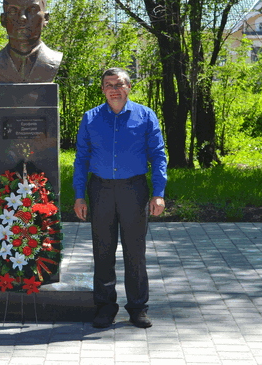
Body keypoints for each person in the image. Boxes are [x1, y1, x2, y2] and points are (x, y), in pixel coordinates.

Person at [73, 67, 167, 329]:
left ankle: (138, 307)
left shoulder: (145, 116)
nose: (114, 89)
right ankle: (105, 307)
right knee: (102, 251)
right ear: (102, 89)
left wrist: (158, 193)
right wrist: (79, 196)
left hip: (134, 190)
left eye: (120, 84)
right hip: (100, 190)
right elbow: (81, 160)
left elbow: (158, 156)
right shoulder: (90, 118)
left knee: (135, 253)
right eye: (108, 85)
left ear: (129, 86)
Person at [0, 0, 63, 83]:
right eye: (13, 10)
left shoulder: (53, 59)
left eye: (32, 10)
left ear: (45, 19)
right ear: (3, 19)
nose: (22, 18)